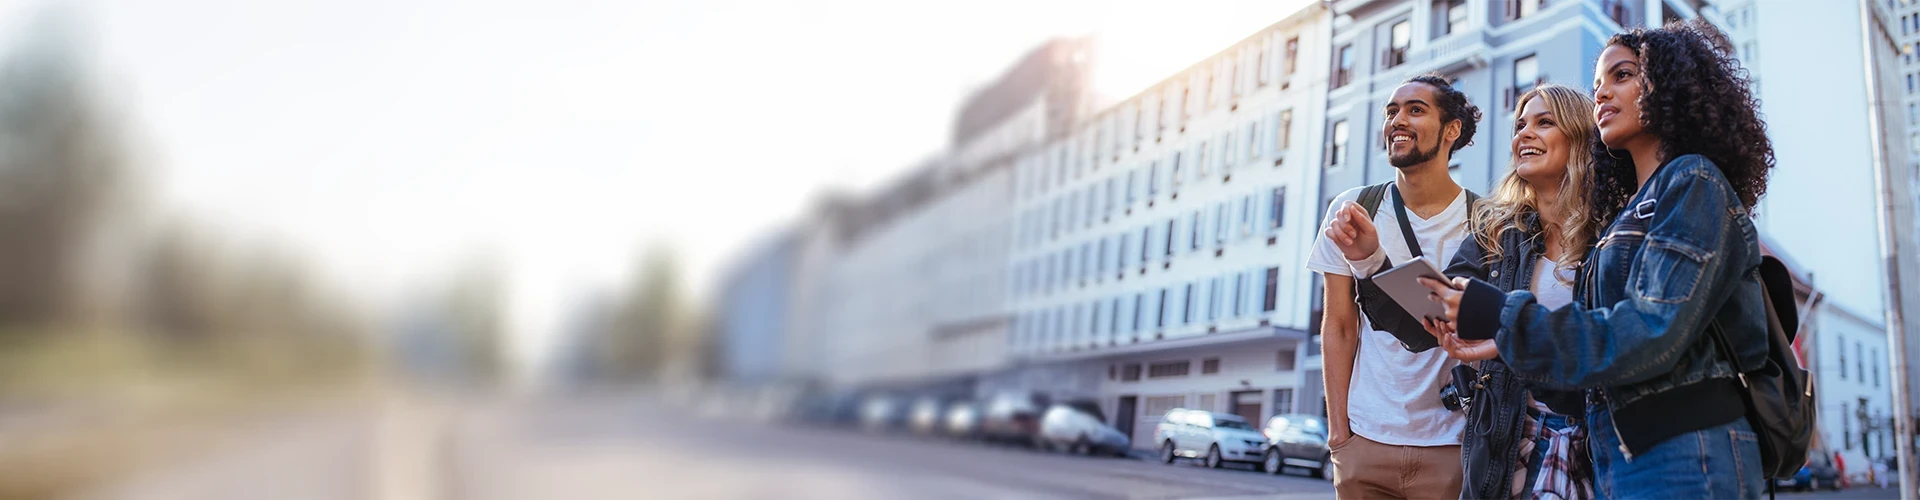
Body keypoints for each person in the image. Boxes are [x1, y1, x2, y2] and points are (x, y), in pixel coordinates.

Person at [1420, 19, 1775, 499]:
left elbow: (1648, 331)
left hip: (1686, 450)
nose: (1603, 93)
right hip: (1621, 456)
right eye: (1597, 84)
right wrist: (1505, 344)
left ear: (1672, 86)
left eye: (1622, 75)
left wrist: (1505, 320)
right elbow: (1598, 343)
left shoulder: (1694, 182)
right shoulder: (1629, 216)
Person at [1329, 84, 1605, 499]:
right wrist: (1371, 260)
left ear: (1581, 136)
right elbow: (1429, 326)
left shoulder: (1613, 234)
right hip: (1510, 446)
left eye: (1544, 122)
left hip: (1596, 444)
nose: (1524, 134)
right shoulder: (1495, 232)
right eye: (1520, 124)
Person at [1309, 73, 1481, 499]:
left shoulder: (1486, 220)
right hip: (1365, 441)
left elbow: (1452, 330)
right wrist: (1339, 434)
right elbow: (1339, 327)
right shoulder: (1354, 209)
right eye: (1392, 111)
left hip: (1450, 446)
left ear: (1451, 130)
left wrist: (1372, 260)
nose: (1397, 120)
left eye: (1415, 110)